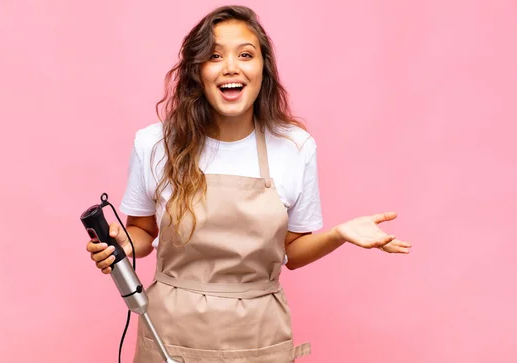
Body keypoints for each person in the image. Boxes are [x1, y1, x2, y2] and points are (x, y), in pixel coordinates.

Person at [86, 5, 411, 362]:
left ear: (262, 69)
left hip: (259, 334)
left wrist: (339, 234)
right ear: (198, 72)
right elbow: (143, 233)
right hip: (171, 333)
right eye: (214, 55)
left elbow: (294, 252)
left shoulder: (294, 147)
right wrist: (121, 241)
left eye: (245, 54)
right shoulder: (155, 143)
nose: (231, 67)